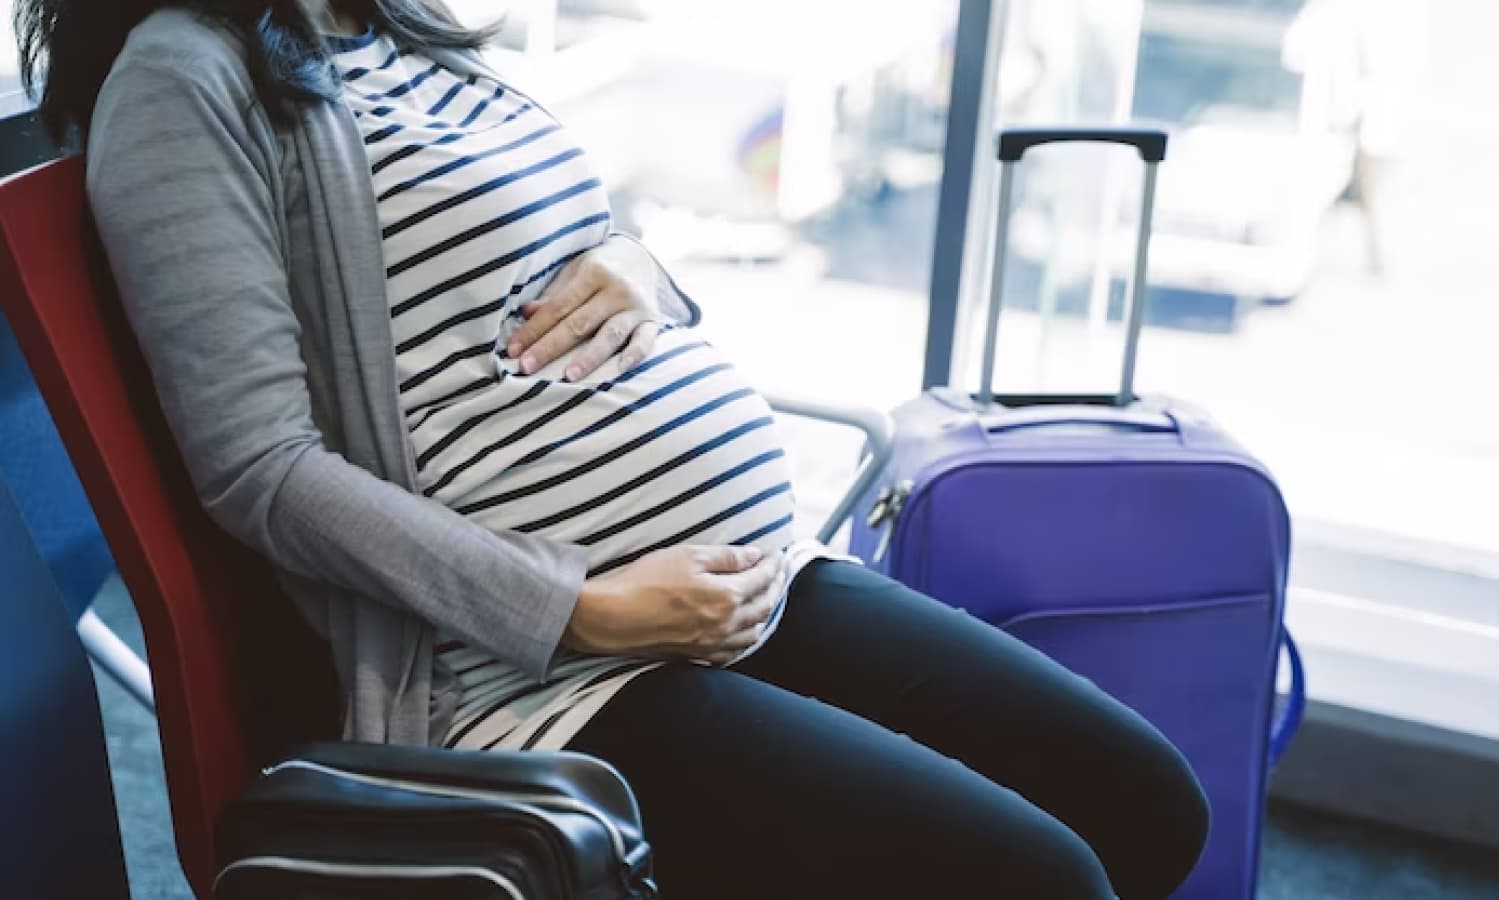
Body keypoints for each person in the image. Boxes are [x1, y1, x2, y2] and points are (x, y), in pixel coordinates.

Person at [18, 1, 1209, 896]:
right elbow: (260, 470)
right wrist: (584, 609)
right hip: (546, 679)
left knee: (1146, 805)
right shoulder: (184, 82)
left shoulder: (400, 33)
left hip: (754, 584)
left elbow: (556, 238)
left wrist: (644, 268)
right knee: (1040, 881)